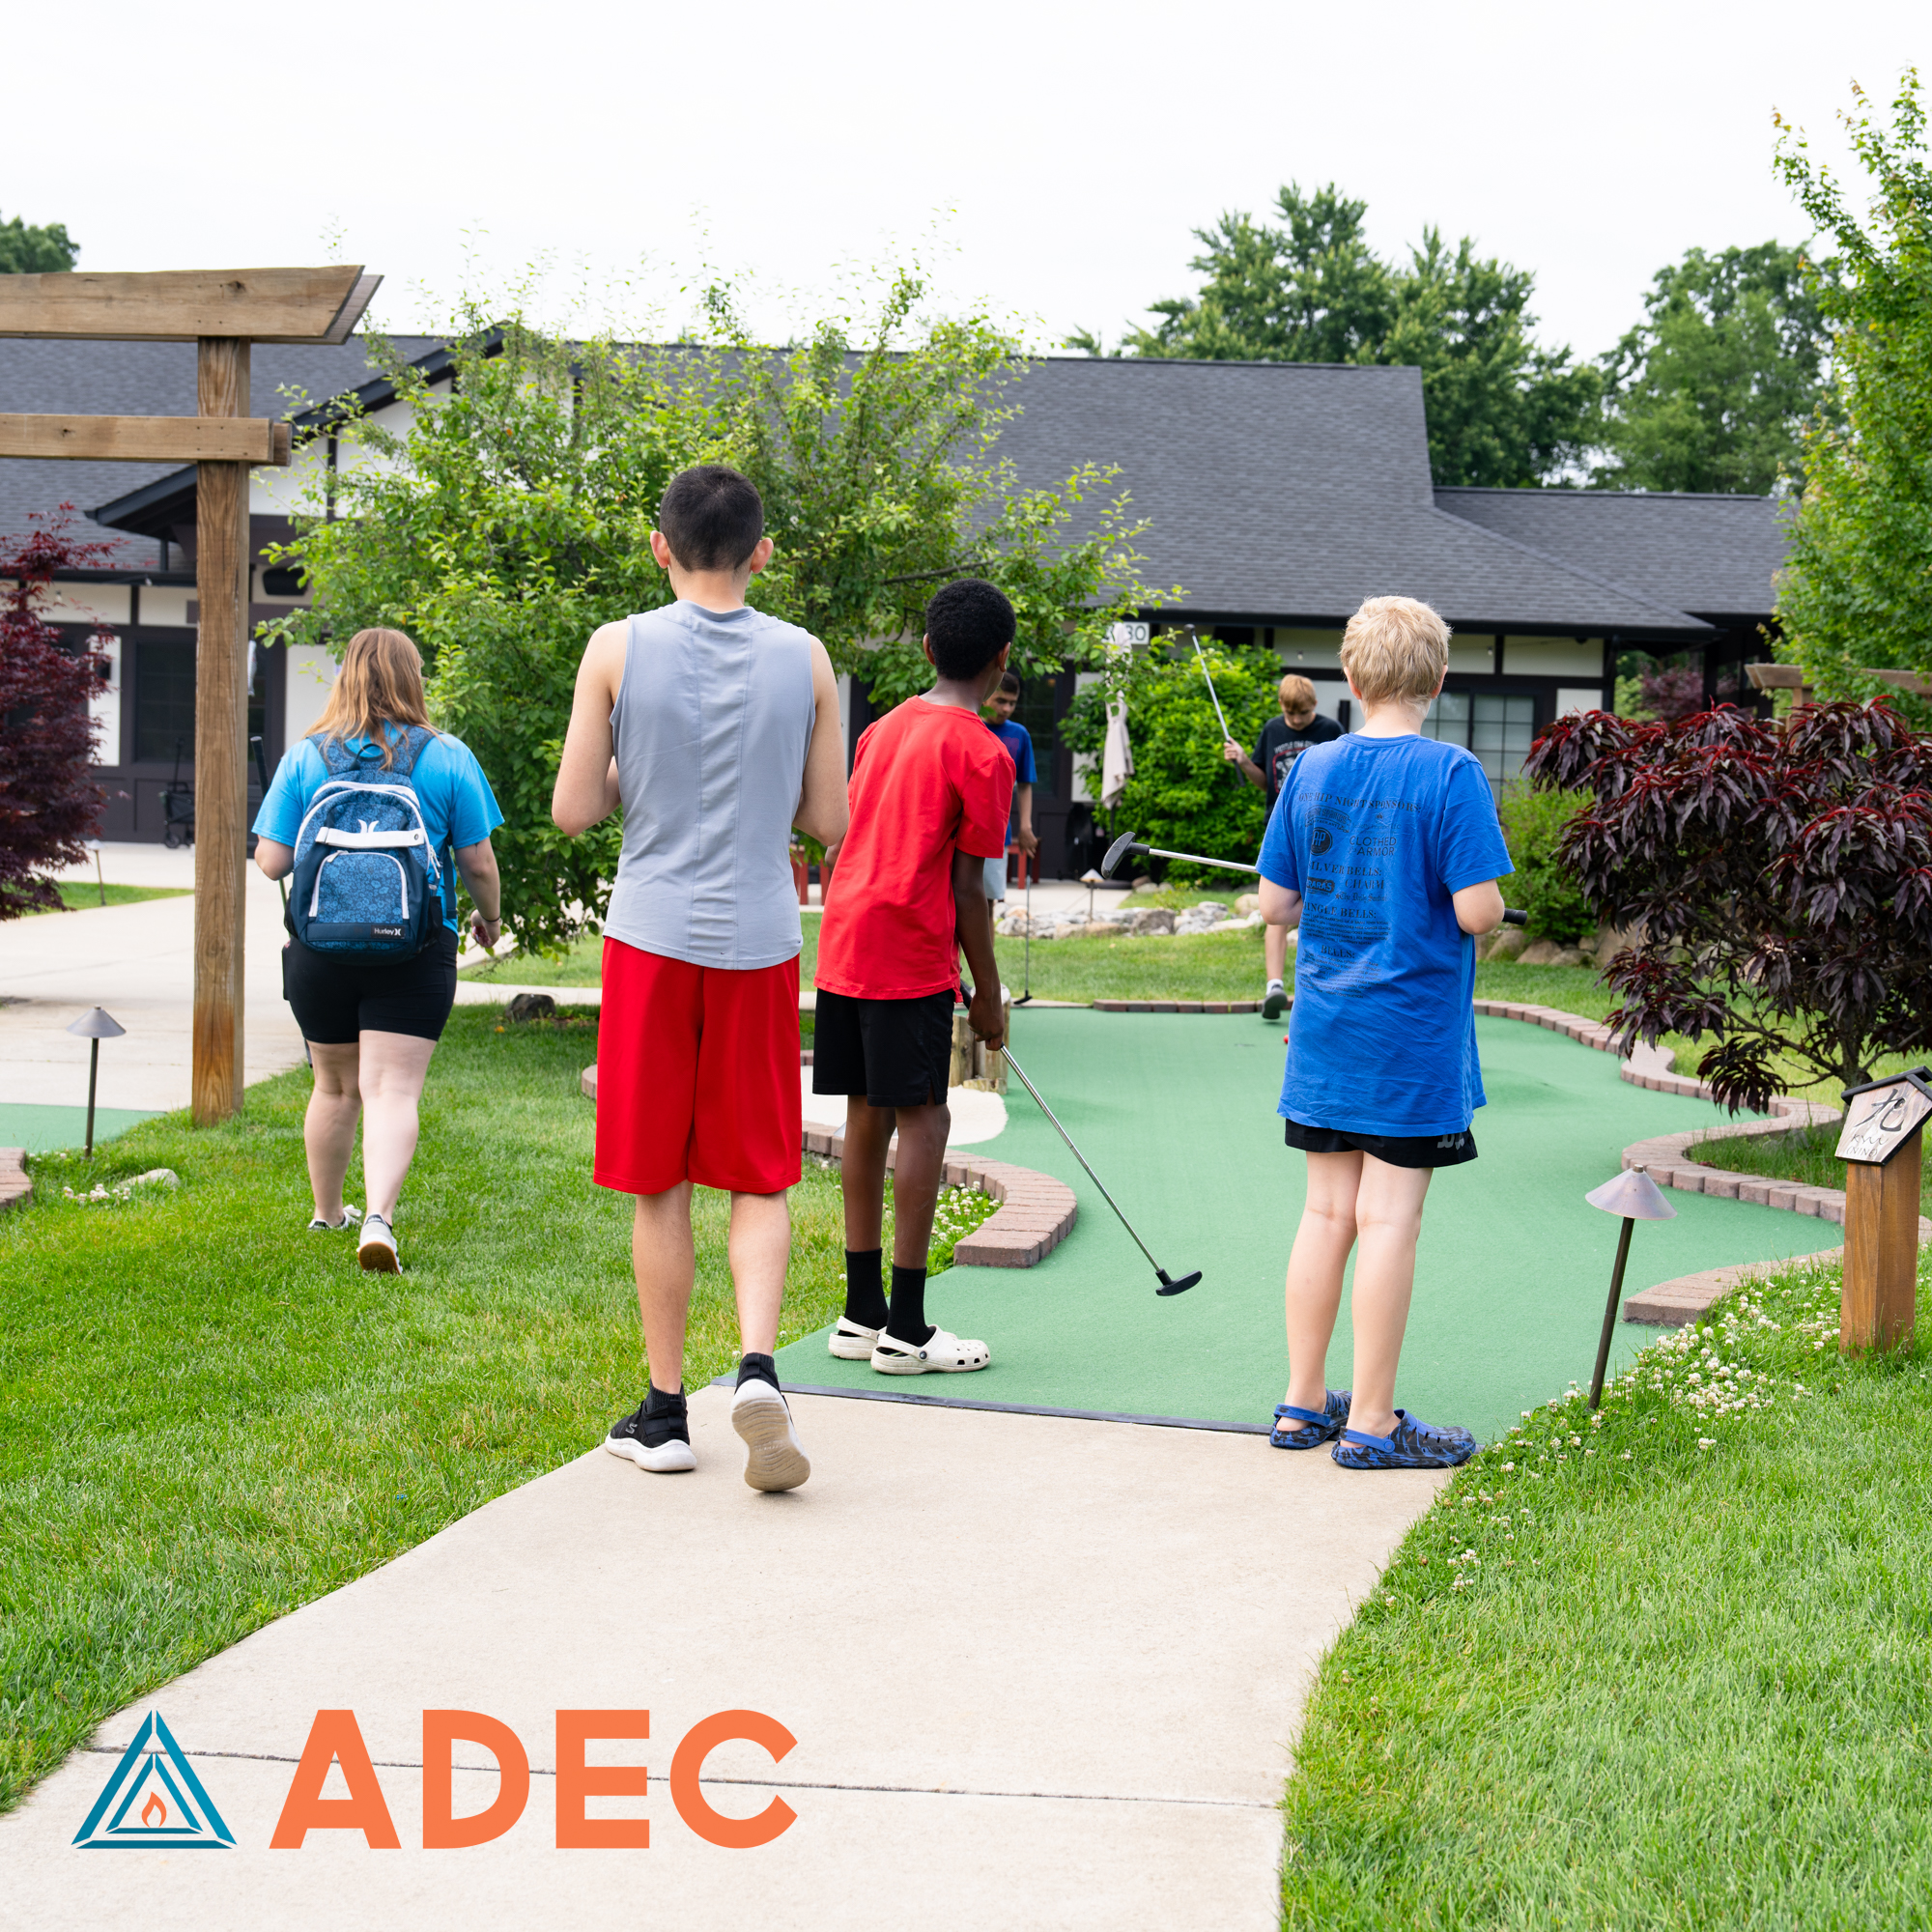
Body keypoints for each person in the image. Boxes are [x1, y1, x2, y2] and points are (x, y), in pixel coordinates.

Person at [552, 465, 847, 1493]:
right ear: (761, 552)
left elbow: (574, 809)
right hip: (759, 940)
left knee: (660, 1179)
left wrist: (637, 765)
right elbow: (828, 820)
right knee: (759, 1172)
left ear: (658, 546)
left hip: (650, 938)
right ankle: (758, 1368)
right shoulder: (806, 658)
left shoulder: (615, 647)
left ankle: (666, 1412)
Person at [1255, 597, 1510, 1470]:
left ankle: (1301, 1404)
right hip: (1409, 1040)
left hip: (1327, 1032)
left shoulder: (1311, 769)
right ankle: (1370, 1421)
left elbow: (1276, 904)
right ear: (1438, 680)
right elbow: (1478, 912)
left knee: (1326, 1213)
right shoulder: (1451, 774)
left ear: (1351, 678)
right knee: (1389, 1220)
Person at [253, 627, 504, 1274]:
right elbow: (478, 861)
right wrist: (490, 918)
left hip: (319, 950)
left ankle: (326, 1212)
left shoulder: (306, 756)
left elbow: (271, 861)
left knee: (334, 1086)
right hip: (415, 947)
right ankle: (378, 1220)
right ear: (412, 678)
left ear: (345, 677)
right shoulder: (447, 756)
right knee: (392, 1090)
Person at [814, 578, 1013, 1376]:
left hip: (846, 944)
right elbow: (969, 889)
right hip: (906, 955)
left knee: (865, 1117)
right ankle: (907, 1328)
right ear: (1002, 660)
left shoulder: (881, 729)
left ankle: (861, 1314)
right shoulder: (986, 753)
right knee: (926, 1121)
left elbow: (849, 840)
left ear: (928, 649)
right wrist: (988, 994)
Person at [1224, 674, 1343, 1018]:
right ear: (1281, 706)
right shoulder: (1272, 729)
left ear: (1314, 705)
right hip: (1281, 828)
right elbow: (1265, 781)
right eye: (1291, 714)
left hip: (1323, 829)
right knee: (1277, 903)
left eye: (1303, 714)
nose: (1296, 720)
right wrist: (1244, 760)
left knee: (1322, 901)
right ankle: (1274, 985)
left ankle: (1323, 984)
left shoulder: (1331, 730)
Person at [981, 668, 1038, 903]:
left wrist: (1025, 826)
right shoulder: (969, 725)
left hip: (997, 832)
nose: (1006, 709)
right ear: (986, 696)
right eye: (1001, 701)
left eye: (1012, 703)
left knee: (988, 902)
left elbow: (1025, 783)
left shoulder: (1019, 734)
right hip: (958, 831)